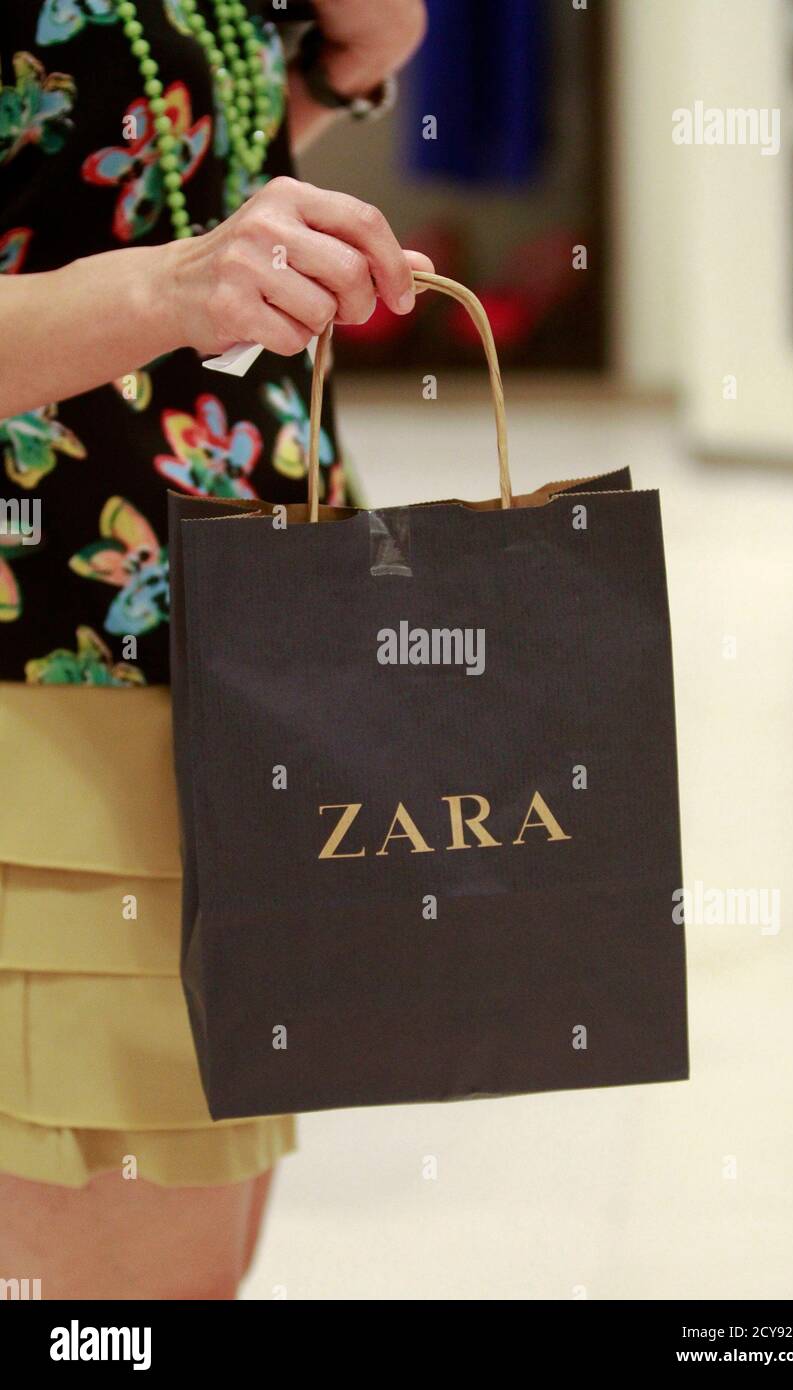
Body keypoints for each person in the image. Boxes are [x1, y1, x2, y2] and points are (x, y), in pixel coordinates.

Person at [0, 0, 430, 1300]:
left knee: (195, 1259)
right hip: (48, 679)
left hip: (245, 641)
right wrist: (176, 286)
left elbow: (122, 161)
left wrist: (344, 64)